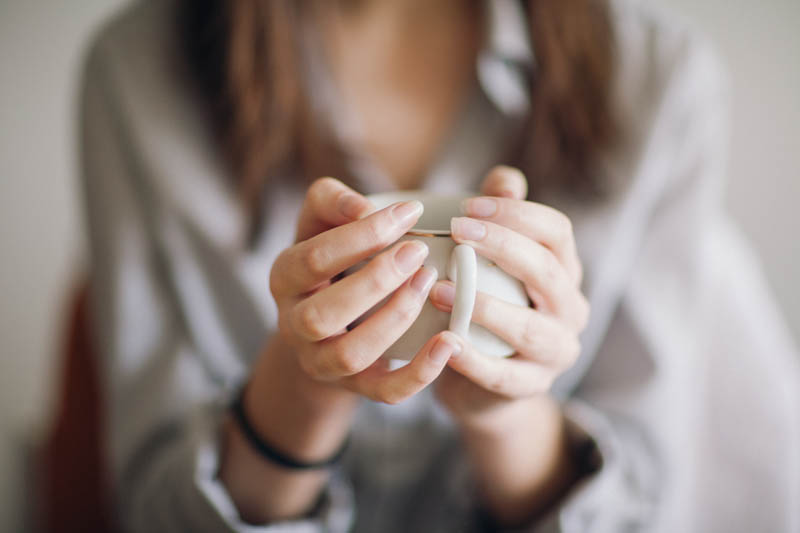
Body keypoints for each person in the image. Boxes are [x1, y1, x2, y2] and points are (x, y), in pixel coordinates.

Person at [79, 0, 799, 531]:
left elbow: (650, 509)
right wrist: (302, 387)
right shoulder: (137, 74)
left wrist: (509, 412)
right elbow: (152, 512)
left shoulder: (659, 85)